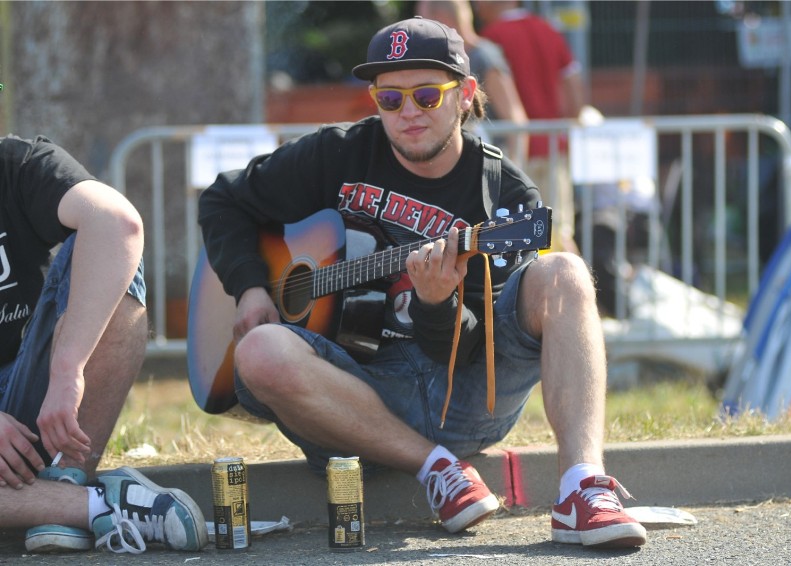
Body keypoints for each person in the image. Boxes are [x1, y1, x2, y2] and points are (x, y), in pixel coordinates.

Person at [198, 17, 646, 548]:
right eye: (390, 99)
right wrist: (251, 286)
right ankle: (435, 469)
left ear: (466, 95)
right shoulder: (338, 154)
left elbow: (473, 349)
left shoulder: (504, 197)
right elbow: (223, 199)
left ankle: (581, 488)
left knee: (565, 272)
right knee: (258, 352)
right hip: (351, 397)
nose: (408, 112)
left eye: (427, 95)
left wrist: (437, 303)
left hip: (463, 394)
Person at [0, 134, 207, 554]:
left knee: (105, 255)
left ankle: (66, 475)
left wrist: (67, 369)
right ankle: (99, 506)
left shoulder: (16, 163)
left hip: (31, 418)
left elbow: (117, 223)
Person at [475, 0, 589, 253]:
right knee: (559, 231)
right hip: (553, 146)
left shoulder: (491, 39)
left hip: (514, 150)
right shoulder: (549, 30)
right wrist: (565, 125)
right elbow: (574, 87)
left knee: (522, 236)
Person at [415, 0, 529, 165]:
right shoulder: (445, 61)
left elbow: (515, 118)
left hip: (489, 166)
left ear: (440, 19)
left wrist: (513, 173)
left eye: (423, 22)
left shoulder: (484, 56)